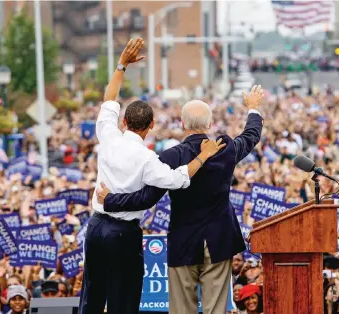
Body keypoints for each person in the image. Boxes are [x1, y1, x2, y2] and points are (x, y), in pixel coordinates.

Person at [78, 38, 225, 314]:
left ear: (124, 122)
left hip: (95, 227)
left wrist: (121, 65)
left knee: (91, 298)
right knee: (124, 300)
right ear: (151, 126)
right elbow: (180, 179)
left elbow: (109, 99)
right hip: (122, 233)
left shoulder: (108, 136)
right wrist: (203, 157)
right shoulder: (148, 159)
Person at [96, 85, 265, 313]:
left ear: (183, 125)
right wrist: (253, 108)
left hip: (184, 242)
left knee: (182, 310)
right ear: (209, 124)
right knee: (215, 308)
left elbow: (146, 198)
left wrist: (110, 201)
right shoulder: (225, 150)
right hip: (218, 240)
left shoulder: (169, 157)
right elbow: (251, 136)